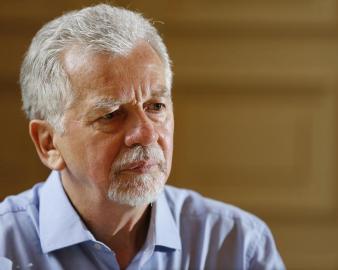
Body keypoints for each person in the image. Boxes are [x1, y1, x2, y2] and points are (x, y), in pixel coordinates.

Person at [0, 4, 285, 270]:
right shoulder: (6, 246)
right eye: (111, 114)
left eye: (156, 107)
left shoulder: (238, 246)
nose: (147, 133)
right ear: (48, 143)